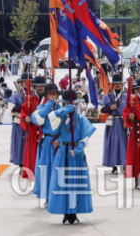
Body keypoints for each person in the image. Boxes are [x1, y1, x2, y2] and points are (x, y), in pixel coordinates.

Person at [46, 90, 95, 225]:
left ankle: (73, 214)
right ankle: (65, 213)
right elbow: (51, 116)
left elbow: (86, 137)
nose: (72, 106)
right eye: (68, 104)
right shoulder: (59, 119)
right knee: (62, 183)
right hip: (62, 153)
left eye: (73, 104)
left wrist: (79, 148)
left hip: (76, 154)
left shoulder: (81, 119)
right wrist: (64, 110)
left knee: (75, 184)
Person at [29, 83, 61, 202]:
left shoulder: (60, 108)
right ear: (46, 95)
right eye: (50, 94)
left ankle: (58, 195)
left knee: (59, 169)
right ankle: (48, 196)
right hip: (47, 142)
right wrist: (49, 104)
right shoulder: (41, 108)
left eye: (55, 94)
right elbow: (39, 120)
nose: (53, 96)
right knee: (47, 169)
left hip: (59, 141)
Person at [99, 74, 128, 174]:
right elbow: (100, 109)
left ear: (122, 85)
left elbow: (130, 111)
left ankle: (123, 164)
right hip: (111, 122)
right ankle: (114, 165)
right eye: (115, 83)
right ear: (112, 85)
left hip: (122, 123)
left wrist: (127, 122)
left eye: (119, 83)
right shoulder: (107, 97)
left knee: (123, 143)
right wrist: (109, 108)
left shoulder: (126, 97)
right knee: (113, 143)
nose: (117, 85)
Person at [20, 76, 47, 181]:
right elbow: (23, 116)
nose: (40, 88)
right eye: (38, 86)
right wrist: (25, 119)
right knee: (33, 153)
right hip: (33, 130)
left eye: (42, 86)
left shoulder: (48, 101)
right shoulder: (29, 100)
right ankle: (33, 175)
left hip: (45, 131)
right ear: (34, 87)